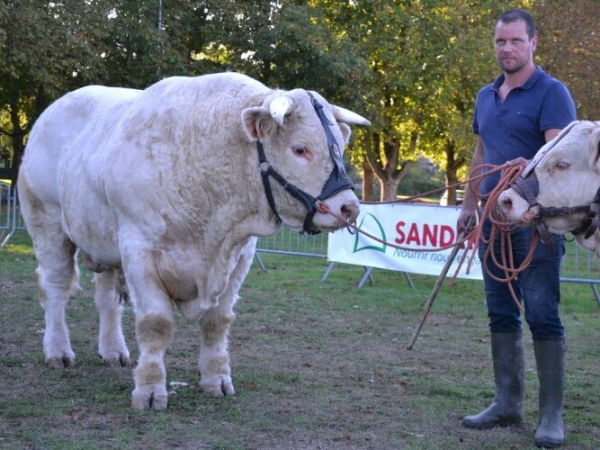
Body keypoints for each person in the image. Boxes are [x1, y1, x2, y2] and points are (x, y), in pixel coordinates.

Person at [457, 8, 576, 448]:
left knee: (543, 314)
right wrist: (468, 206)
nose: (507, 49)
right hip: (492, 223)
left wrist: (530, 183)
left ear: (533, 43)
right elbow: (482, 151)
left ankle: (551, 416)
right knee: (500, 312)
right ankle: (507, 403)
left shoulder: (552, 92)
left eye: (515, 41)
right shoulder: (486, 95)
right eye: (500, 42)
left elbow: (558, 159)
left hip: (534, 227)